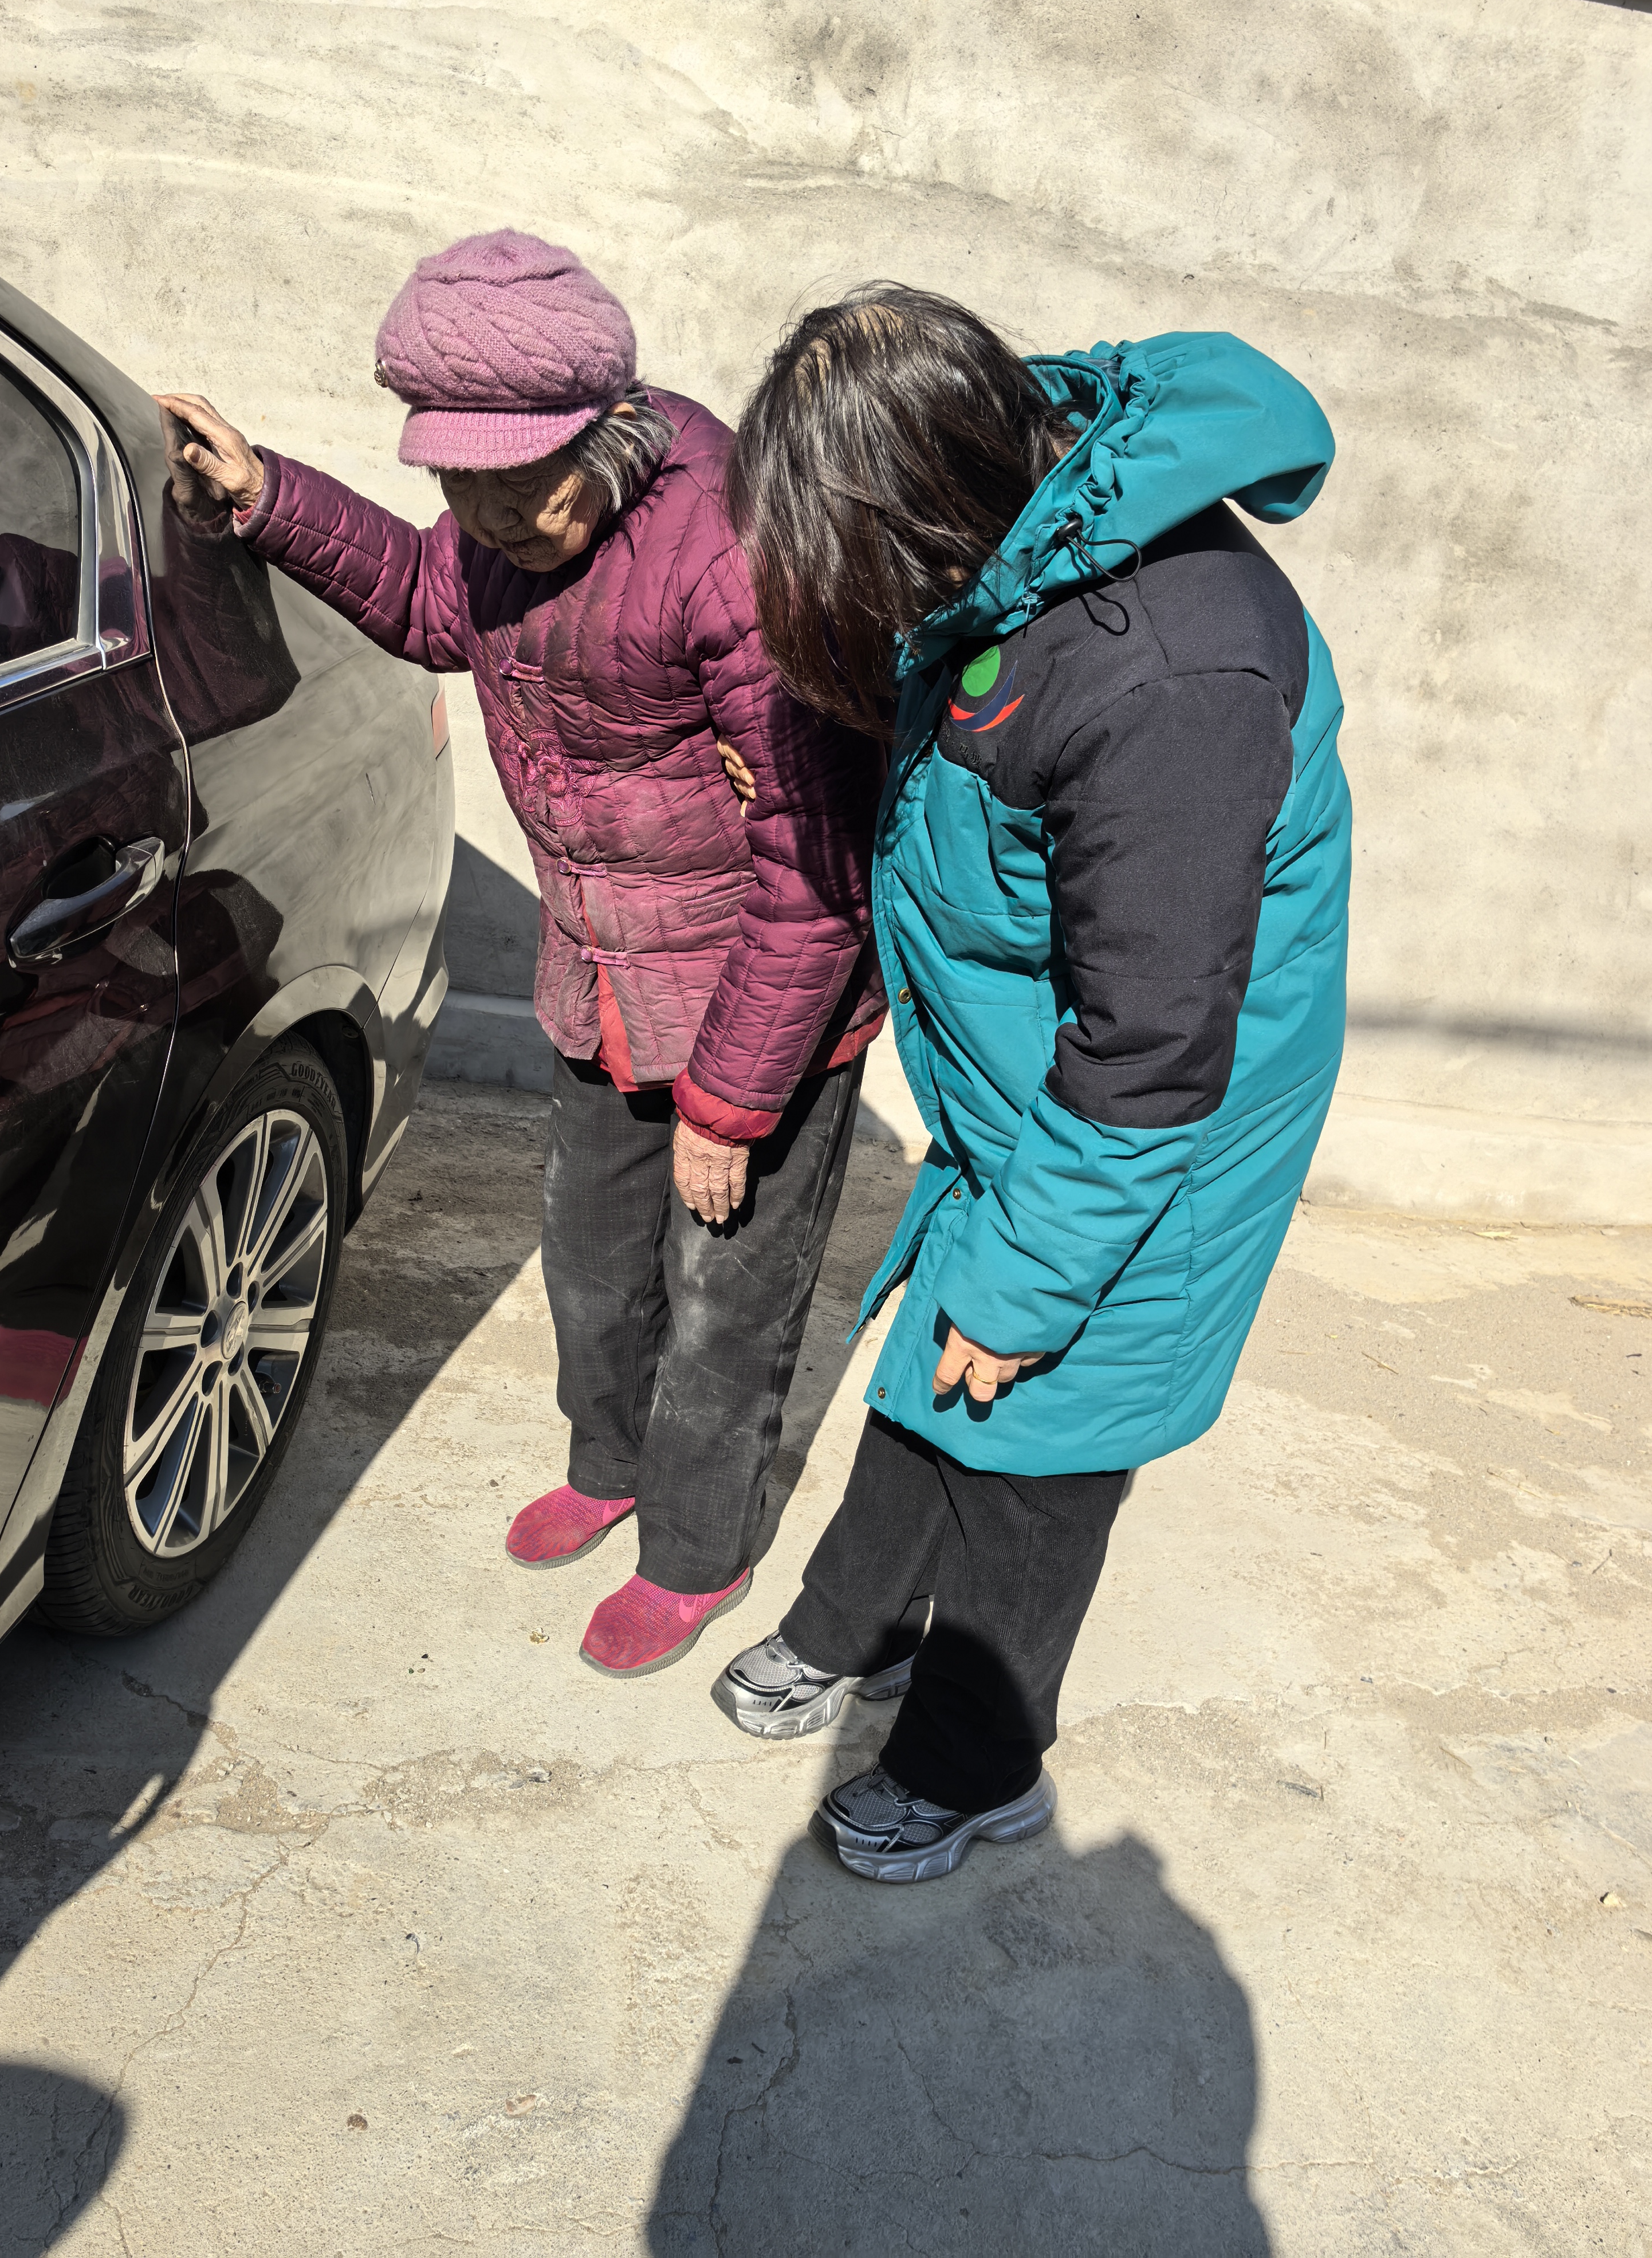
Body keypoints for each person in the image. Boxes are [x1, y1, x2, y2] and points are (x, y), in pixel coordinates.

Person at [156, 231, 883, 1678]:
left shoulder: (736, 553)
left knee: (724, 1300)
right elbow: (434, 604)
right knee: (594, 1259)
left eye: (525, 483)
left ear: (606, 428)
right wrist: (268, 495)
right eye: (462, 486)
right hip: (601, 972)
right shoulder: (495, 535)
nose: (493, 517)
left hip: (759, 1007)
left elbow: (816, 869)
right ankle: (605, 1465)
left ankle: (697, 1546)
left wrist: (733, 1103)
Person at [710, 289, 1350, 1882]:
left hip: (1155, 1130)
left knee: (1041, 1443)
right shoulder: (1015, 530)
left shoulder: (1169, 684)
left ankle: (974, 1766)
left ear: (924, 513)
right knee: (936, 1364)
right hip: (1036, 1085)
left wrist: (1032, 1285)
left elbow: (1149, 1046)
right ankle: (849, 1624)